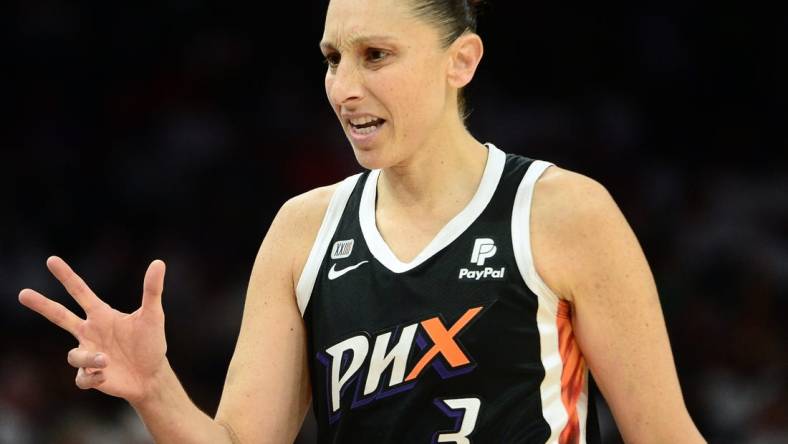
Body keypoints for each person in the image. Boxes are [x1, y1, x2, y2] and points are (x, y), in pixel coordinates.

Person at [18, 0, 707, 442]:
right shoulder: (303, 230)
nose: (346, 87)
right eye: (332, 58)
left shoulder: (563, 212)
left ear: (459, 61)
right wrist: (156, 391)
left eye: (376, 55)